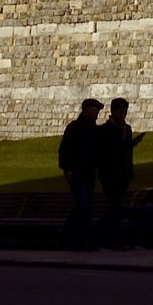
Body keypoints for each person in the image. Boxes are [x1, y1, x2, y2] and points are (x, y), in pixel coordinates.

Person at [58, 99, 104, 249]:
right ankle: (67, 233)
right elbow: (65, 149)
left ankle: (79, 237)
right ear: (87, 110)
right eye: (95, 111)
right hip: (76, 172)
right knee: (83, 204)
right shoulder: (75, 127)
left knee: (85, 205)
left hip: (89, 173)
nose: (97, 115)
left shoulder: (93, 130)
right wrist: (67, 169)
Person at [98, 98, 139, 249]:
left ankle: (105, 237)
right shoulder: (105, 130)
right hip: (109, 175)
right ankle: (114, 240)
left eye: (125, 112)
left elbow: (127, 154)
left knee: (115, 207)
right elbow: (108, 153)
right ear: (113, 112)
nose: (123, 115)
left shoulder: (126, 129)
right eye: (120, 112)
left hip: (124, 174)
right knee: (116, 207)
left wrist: (129, 172)